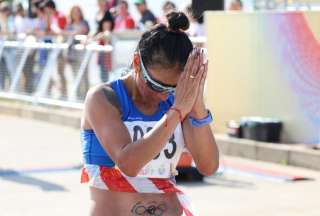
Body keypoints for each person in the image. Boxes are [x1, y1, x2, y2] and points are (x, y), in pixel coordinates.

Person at [81, 11, 219, 216]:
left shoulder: (179, 100)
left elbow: (208, 166)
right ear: (137, 63)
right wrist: (176, 112)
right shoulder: (104, 98)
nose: (164, 96)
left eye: (174, 88)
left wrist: (196, 104)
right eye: (156, 85)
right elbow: (128, 163)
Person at [65, 5, 90, 99]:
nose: (76, 14)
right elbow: (66, 34)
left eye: (77, 11)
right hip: (72, 55)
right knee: (75, 76)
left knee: (84, 76)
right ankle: (79, 97)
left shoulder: (85, 23)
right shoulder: (69, 25)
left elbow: (84, 30)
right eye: (74, 12)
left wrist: (74, 33)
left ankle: (87, 98)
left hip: (83, 54)